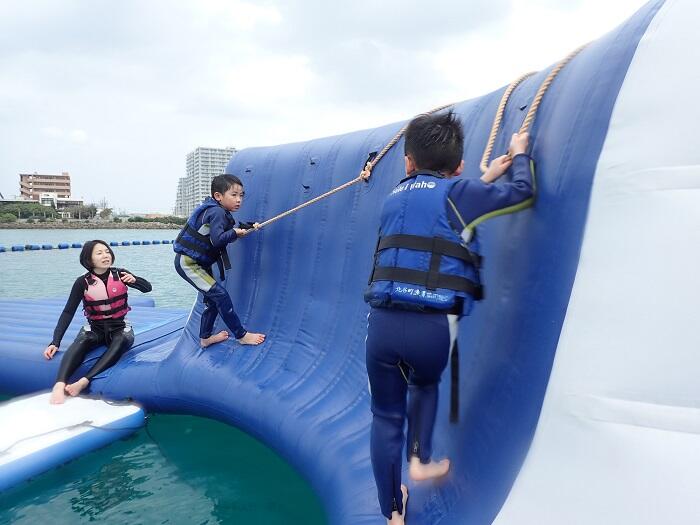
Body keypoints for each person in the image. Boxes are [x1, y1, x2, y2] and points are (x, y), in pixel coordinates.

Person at [364, 110, 534, 524]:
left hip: (383, 327)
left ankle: (392, 512)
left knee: (385, 417)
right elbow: (522, 194)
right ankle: (420, 459)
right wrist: (520, 154)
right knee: (424, 382)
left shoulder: (393, 197)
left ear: (408, 162)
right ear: (458, 166)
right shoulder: (461, 192)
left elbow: (433, 205)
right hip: (431, 330)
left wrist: (482, 179)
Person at [44, 240, 152, 404]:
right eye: (99, 253)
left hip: (120, 327)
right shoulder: (82, 282)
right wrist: (55, 341)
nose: (105, 255)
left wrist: (135, 280)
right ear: (89, 259)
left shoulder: (121, 274)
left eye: (107, 251)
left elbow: (147, 288)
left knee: (120, 340)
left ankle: (84, 381)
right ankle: (59, 384)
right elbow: (68, 312)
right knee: (82, 341)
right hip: (96, 329)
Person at [173, 174, 265, 348]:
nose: (239, 200)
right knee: (220, 296)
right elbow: (218, 239)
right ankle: (241, 335)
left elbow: (226, 231)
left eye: (241, 195)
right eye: (234, 195)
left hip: (197, 263)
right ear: (218, 196)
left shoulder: (216, 210)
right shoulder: (217, 212)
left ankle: (205, 338)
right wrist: (235, 233)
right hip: (189, 264)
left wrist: (248, 227)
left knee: (214, 299)